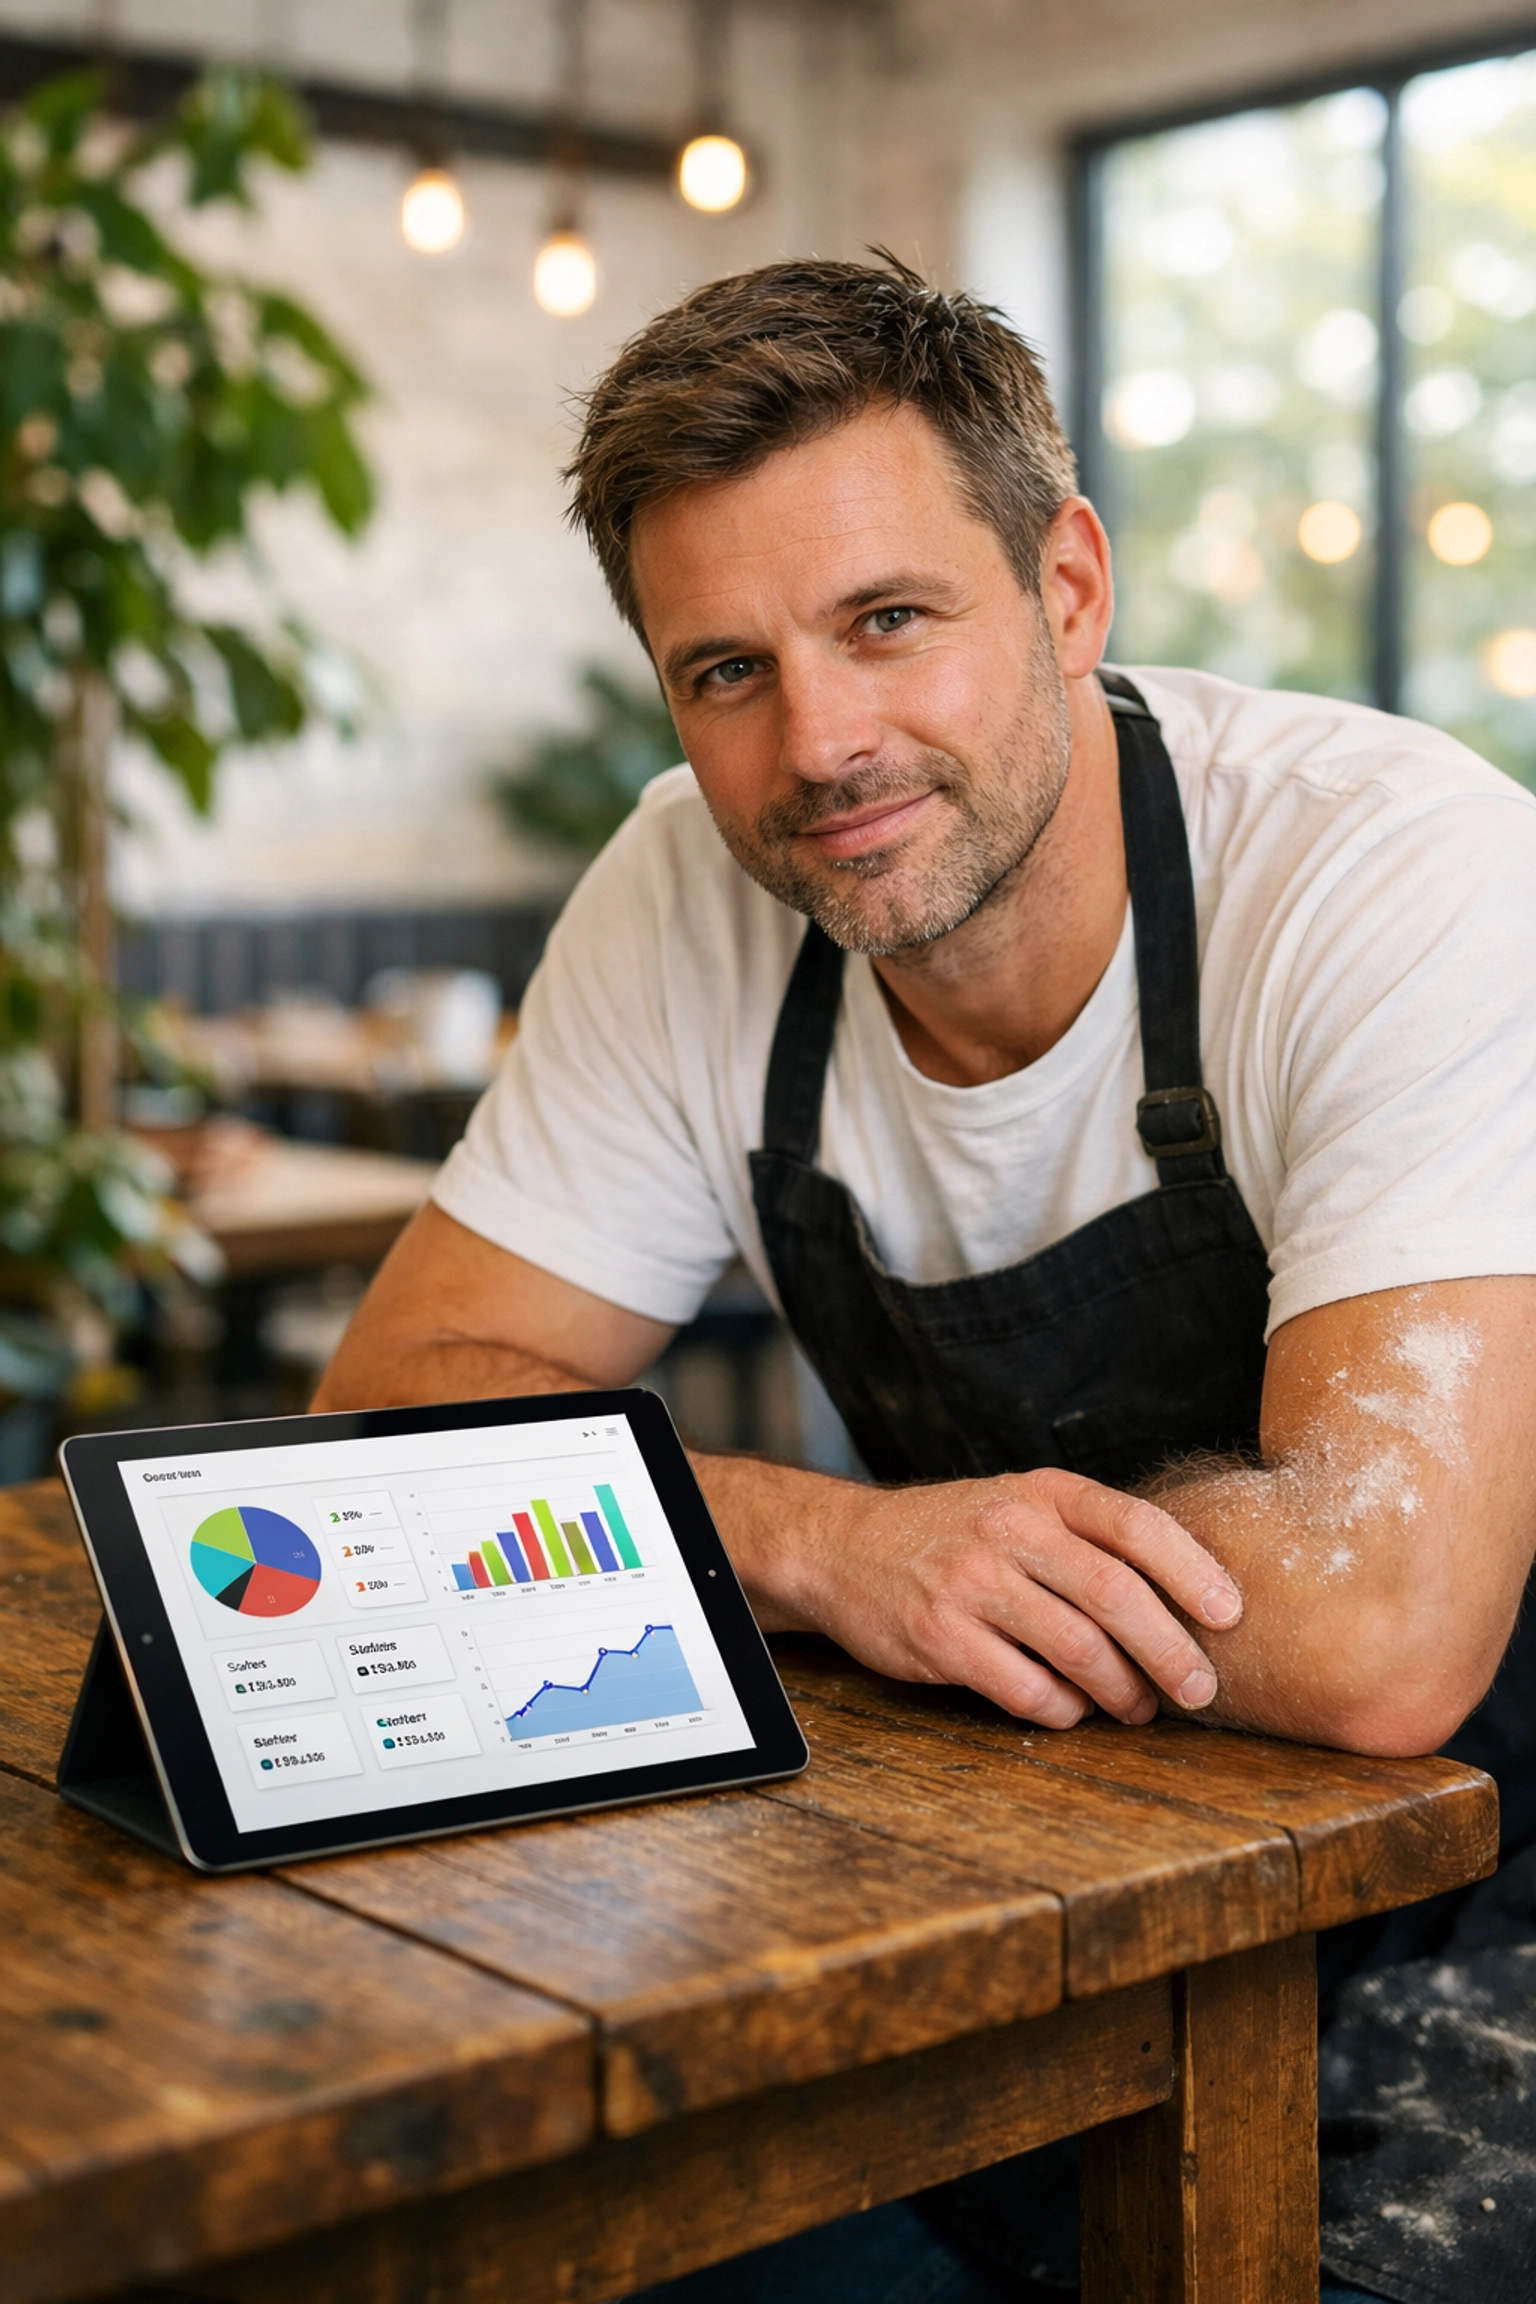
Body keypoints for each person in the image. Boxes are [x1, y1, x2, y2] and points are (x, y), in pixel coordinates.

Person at [315, 257, 1536, 2304]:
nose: (821, 742)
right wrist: (825, 1548)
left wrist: (855, 1569)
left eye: (890, 620)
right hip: (1029, 1863)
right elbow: (395, 1415)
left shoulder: (1390, 871)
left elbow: (1381, 1625)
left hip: (1494, 1890)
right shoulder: (682, 900)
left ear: (1065, 588)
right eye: (726, 671)